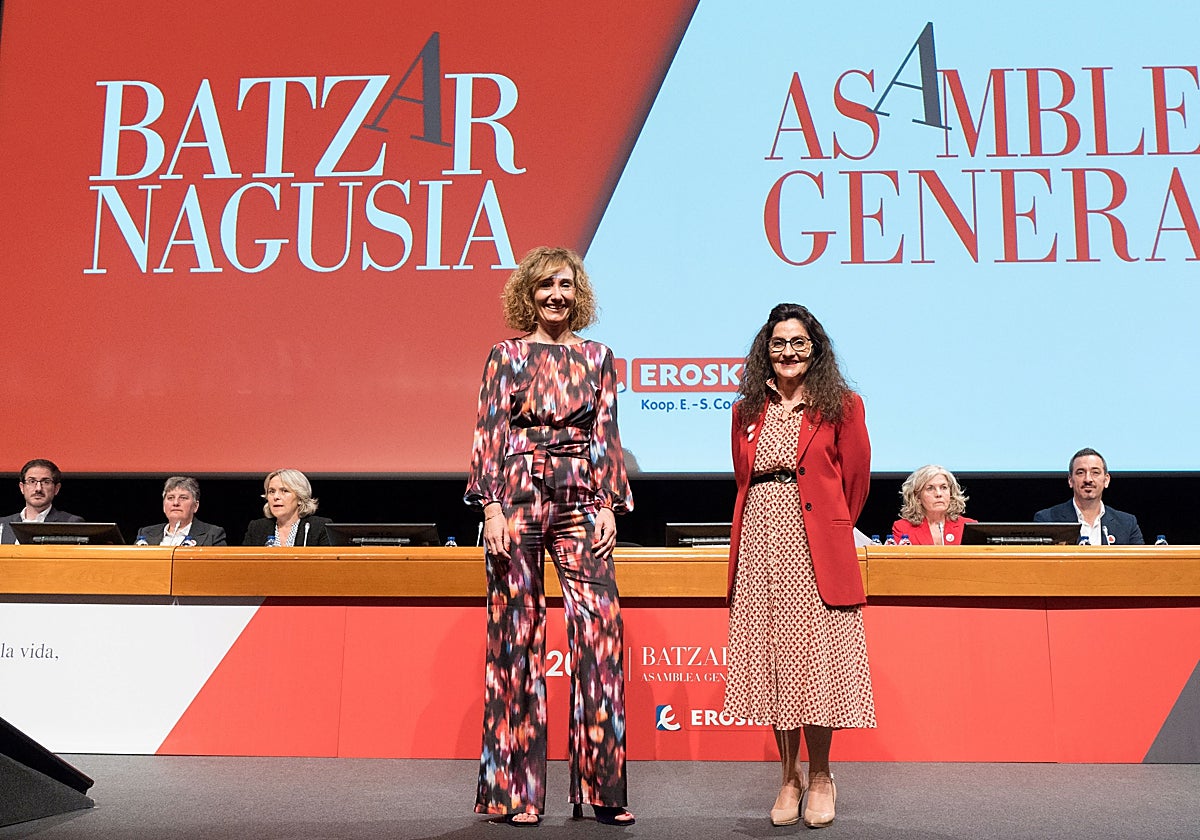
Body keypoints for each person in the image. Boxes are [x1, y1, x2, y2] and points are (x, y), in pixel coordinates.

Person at [465, 246, 634, 827]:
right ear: (528, 294)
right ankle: (515, 793)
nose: (556, 295)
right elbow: (489, 431)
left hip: (582, 495)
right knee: (516, 637)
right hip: (514, 494)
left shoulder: (598, 356)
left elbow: (608, 431)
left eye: (565, 284)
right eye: (545, 286)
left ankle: (604, 791)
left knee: (601, 634)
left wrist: (611, 501)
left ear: (578, 291)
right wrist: (489, 507)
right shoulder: (505, 354)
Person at [723, 303, 875, 830]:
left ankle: (823, 775)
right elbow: (743, 480)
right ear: (766, 351)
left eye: (799, 343)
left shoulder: (842, 406)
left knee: (813, 667)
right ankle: (788, 778)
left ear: (816, 349)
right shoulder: (745, 411)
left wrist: (829, 530)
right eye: (779, 343)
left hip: (813, 550)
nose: (788, 352)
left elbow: (855, 484)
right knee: (774, 666)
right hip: (760, 547)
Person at [1033, 448, 1144, 545]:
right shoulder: (1047, 520)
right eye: (1080, 473)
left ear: (1106, 480)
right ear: (1070, 480)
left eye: (1095, 472)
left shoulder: (1127, 524)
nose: (1088, 479)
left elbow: (1142, 565)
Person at [0, 459, 84, 545]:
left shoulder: (70, 523)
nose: (38, 488)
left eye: (46, 482)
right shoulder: (2, 524)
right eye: (32, 481)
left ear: (56, 489)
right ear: (22, 487)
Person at [242, 469, 330, 546]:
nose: (276, 497)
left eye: (284, 491)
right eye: (271, 491)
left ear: (300, 498)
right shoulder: (257, 528)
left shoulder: (319, 527)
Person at [892, 465, 977, 545]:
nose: (939, 494)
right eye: (930, 488)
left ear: (951, 493)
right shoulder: (903, 528)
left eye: (943, 487)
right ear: (917, 497)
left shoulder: (969, 526)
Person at [136, 476, 227, 546]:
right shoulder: (145, 534)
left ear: (195, 506)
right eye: (170, 498)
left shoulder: (212, 535)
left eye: (183, 498)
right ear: (164, 506)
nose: (175, 503)